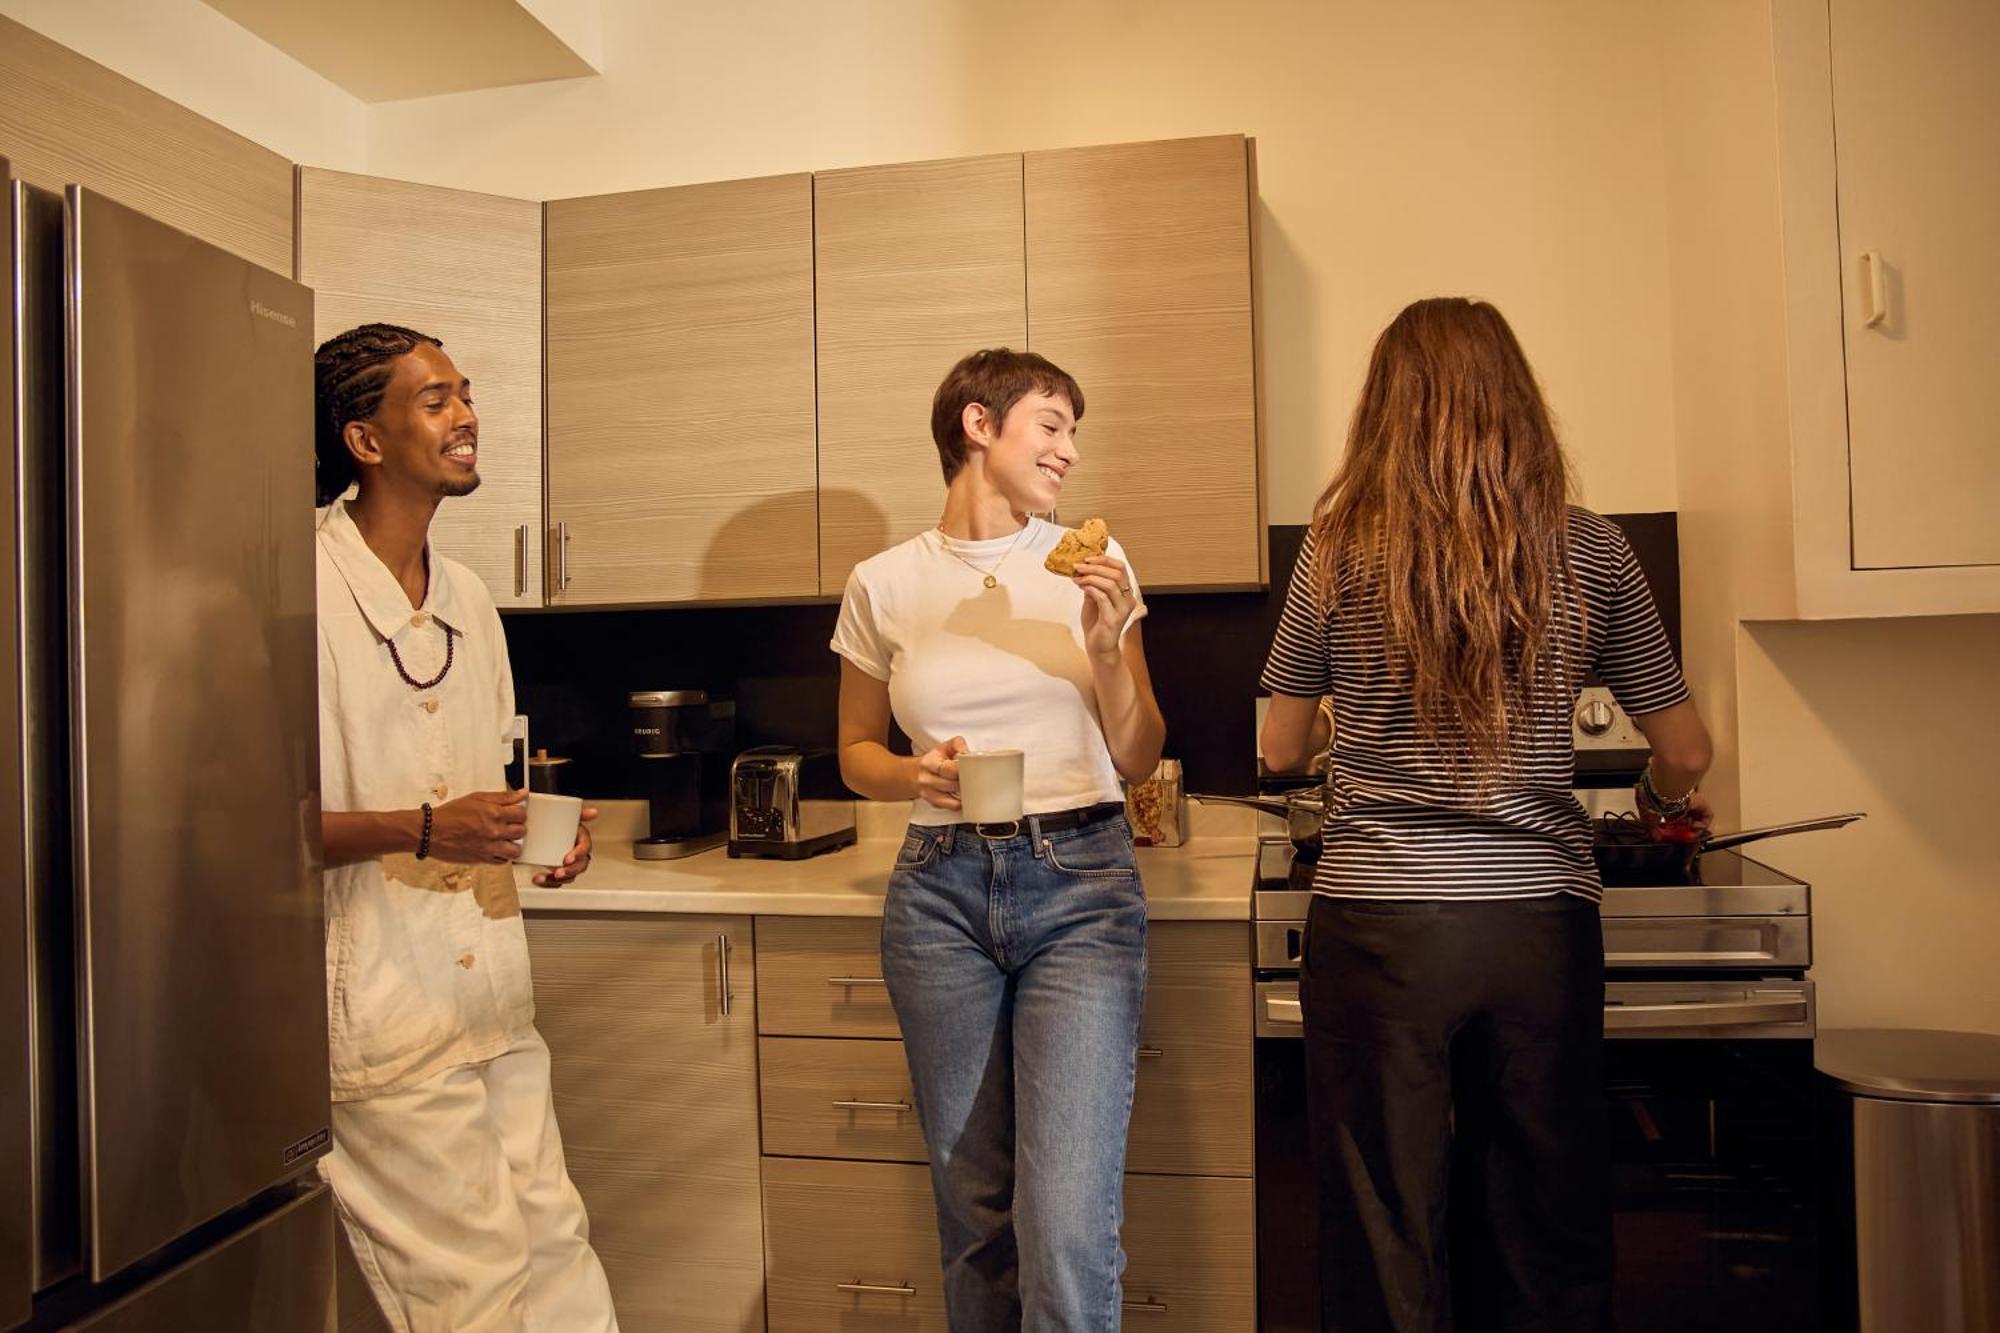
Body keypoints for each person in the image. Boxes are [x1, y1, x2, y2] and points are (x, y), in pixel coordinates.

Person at [1259, 298, 1713, 1333]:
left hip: (1376, 925)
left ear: (1384, 410)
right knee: (1539, 1231)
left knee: (1383, 1224)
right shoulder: (1591, 551)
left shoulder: (1335, 552)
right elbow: (1684, 752)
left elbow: (1278, 748)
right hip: (1533, 930)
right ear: (1516, 403)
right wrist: (1644, 804)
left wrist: (1353, 735)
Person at [831, 348, 1167, 1330]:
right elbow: (853, 751)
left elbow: (1140, 753)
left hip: (1080, 886)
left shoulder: (1093, 569)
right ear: (978, 425)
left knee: (1063, 1225)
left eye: (1072, 431)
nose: (1067, 450)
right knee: (972, 1210)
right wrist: (912, 774)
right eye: (1050, 424)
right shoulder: (882, 584)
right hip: (937, 891)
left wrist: (1105, 650)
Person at [313, 323, 619, 1332]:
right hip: (385, 1014)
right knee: (472, 1298)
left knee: (559, 1261)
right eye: (435, 400)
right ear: (365, 439)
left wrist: (538, 845)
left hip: (491, 997)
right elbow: (247, 825)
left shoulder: (469, 598)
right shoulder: (298, 589)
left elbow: (483, 784)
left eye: (465, 394)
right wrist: (430, 828)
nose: (466, 416)